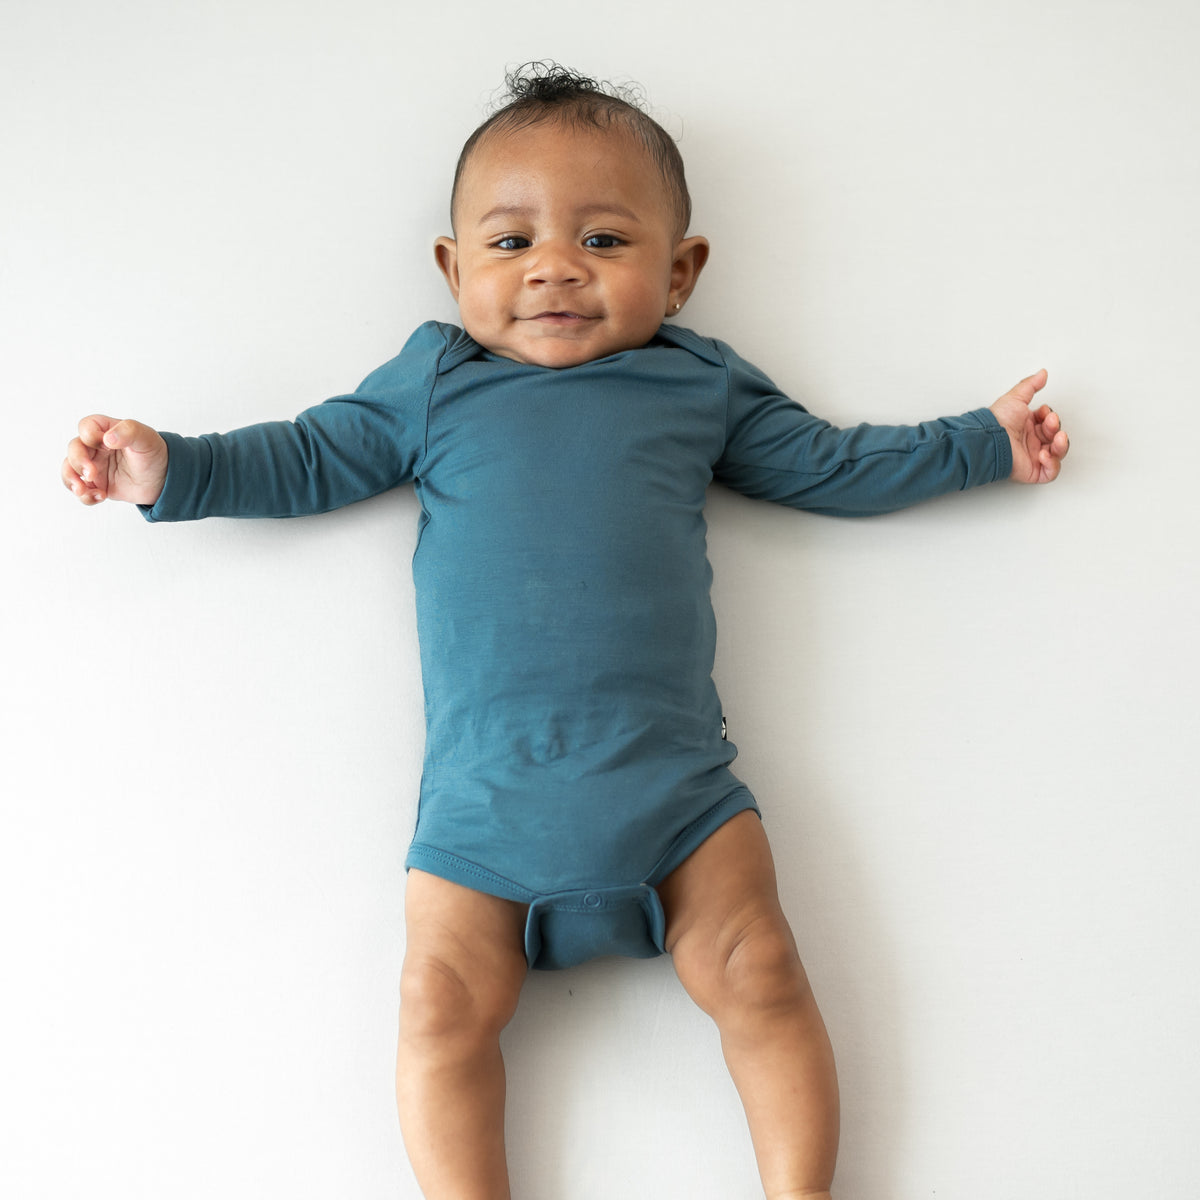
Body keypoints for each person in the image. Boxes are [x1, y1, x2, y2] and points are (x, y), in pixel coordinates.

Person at [61, 63, 1068, 1200]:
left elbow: (832, 463)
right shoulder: (435, 380)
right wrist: (169, 469)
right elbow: (305, 455)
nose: (552, 267)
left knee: (766, 971)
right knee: (436, 1008)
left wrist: (983, 441)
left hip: (679, 800)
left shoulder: (697, 383)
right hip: (481, 822)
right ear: (452, 270)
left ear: (681, 272)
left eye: (602, 239)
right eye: (508, 243)